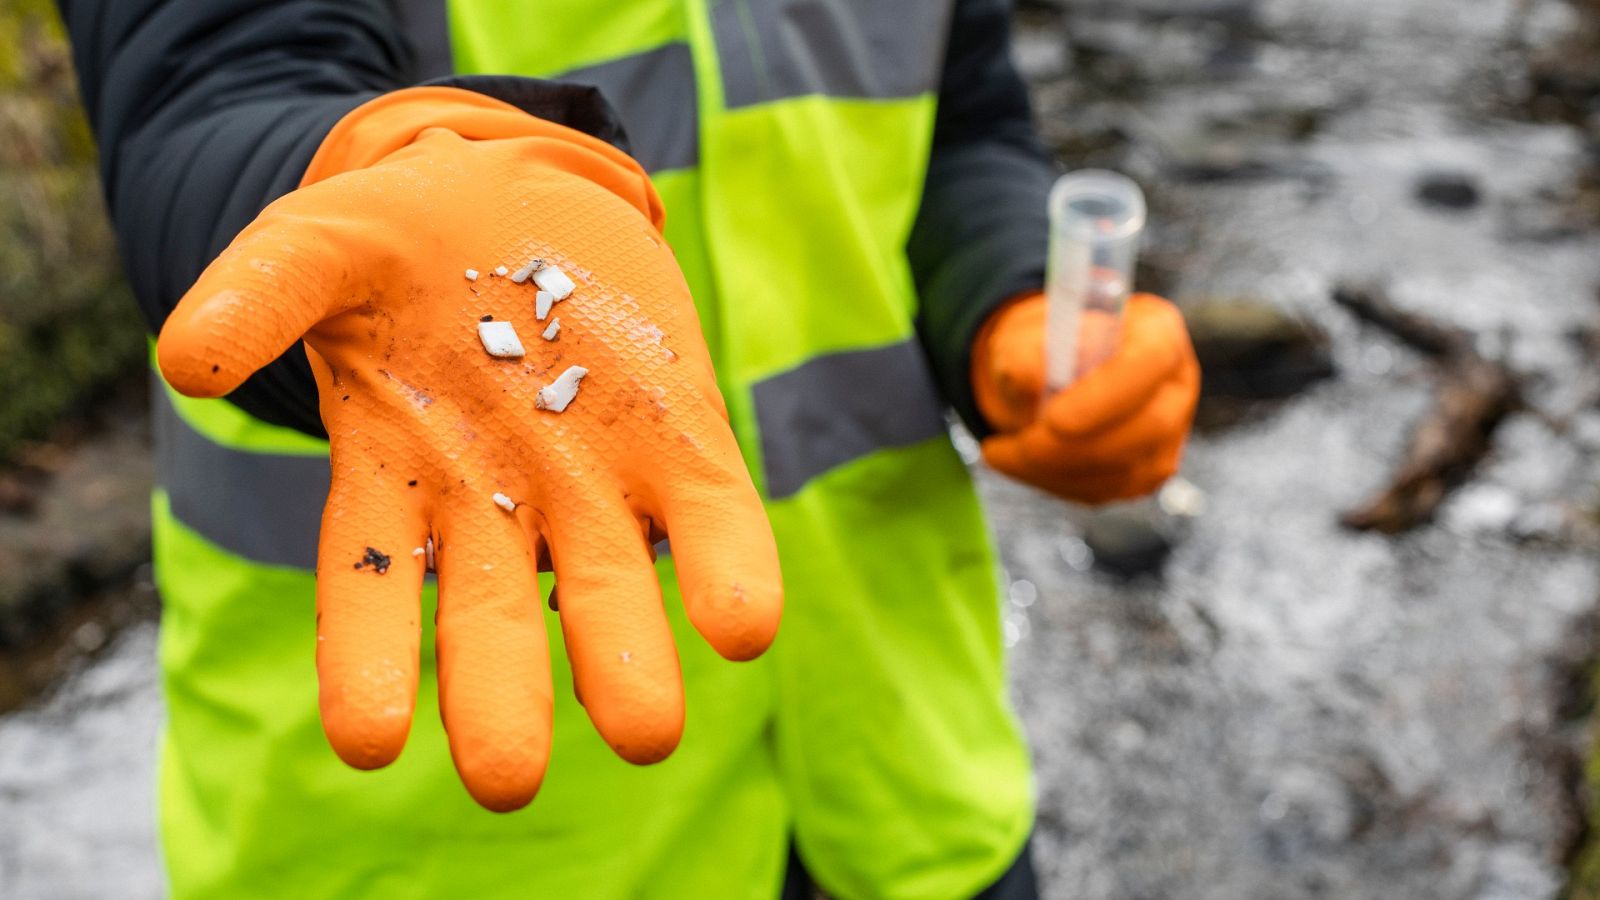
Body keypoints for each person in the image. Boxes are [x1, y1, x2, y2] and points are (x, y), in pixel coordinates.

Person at [57, 0, 1199, 897]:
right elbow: (205, 80)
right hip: (449, 843)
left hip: (909, 783)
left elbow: (961, 117)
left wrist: (996, 305)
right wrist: (374, 165)